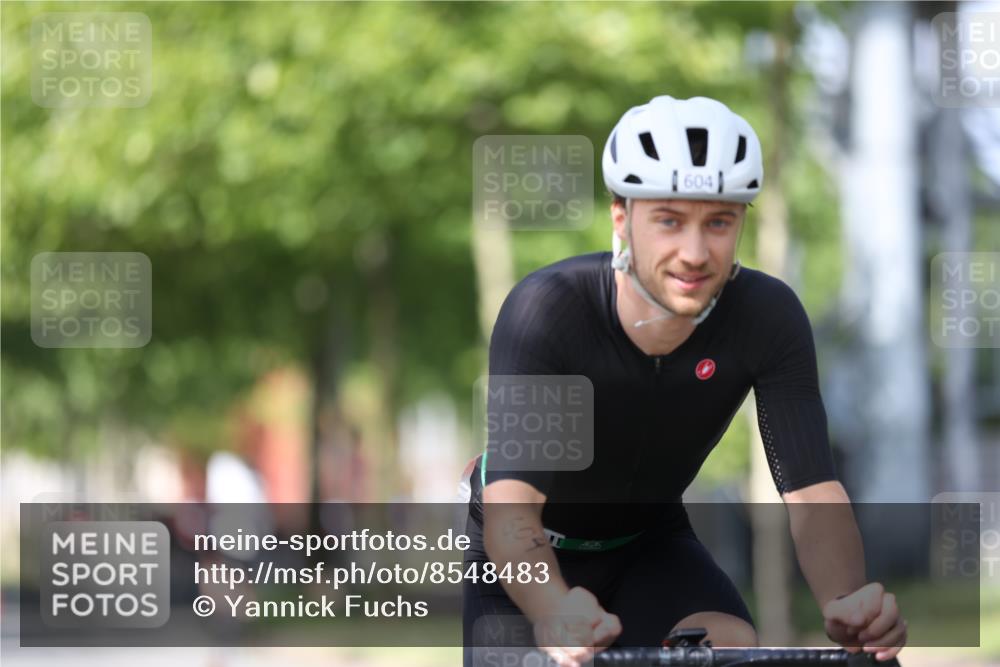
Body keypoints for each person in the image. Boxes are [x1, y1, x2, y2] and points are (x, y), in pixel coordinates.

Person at [463, 95, 907, 667]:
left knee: (731, 650)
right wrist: (552, 607)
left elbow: (811, 490)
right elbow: (514, 510)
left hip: (650, 544)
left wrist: (848, 604)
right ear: (622, 219)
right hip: (525, 557)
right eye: (669, 220)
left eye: (718, 222)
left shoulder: (766, 317)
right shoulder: (549, 311)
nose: (694, 253)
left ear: (742, 221)